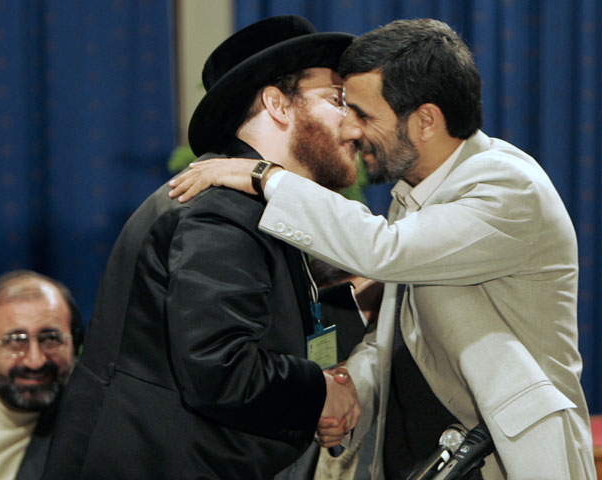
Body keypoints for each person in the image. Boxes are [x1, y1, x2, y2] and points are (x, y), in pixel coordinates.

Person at [169, 18, 596, 480]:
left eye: (364, 115)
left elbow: (384, 250)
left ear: (426, 120)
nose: (349, 130)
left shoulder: (506, 185)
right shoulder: (413, 194)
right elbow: (396, 337)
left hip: (506, 462)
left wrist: (264, 176)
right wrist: (350, 390)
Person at [42, 16, 361, 480]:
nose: (355, 125)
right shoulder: (220, 211)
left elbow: (271, 332)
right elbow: (221, 369)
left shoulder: (253, 206)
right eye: (337, 100)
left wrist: (357, 311)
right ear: (277, 104)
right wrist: (319, 392)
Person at [0, 270, 82, 480]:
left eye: (50, 339)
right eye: (16, 341)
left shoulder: (91, 425)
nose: (35, 361)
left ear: (75, 343)